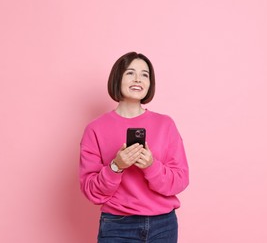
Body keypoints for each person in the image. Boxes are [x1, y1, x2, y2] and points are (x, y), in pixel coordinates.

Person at [79, 52, 189, 243]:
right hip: (117, 225)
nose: (138, 79)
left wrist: (151, 165)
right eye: (130, 73)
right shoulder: (95, 129)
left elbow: (180, 181)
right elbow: (91, 191)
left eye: (145, 74)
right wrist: (116, 166)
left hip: (163, 224)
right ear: (117, 78)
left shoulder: (165, 124)